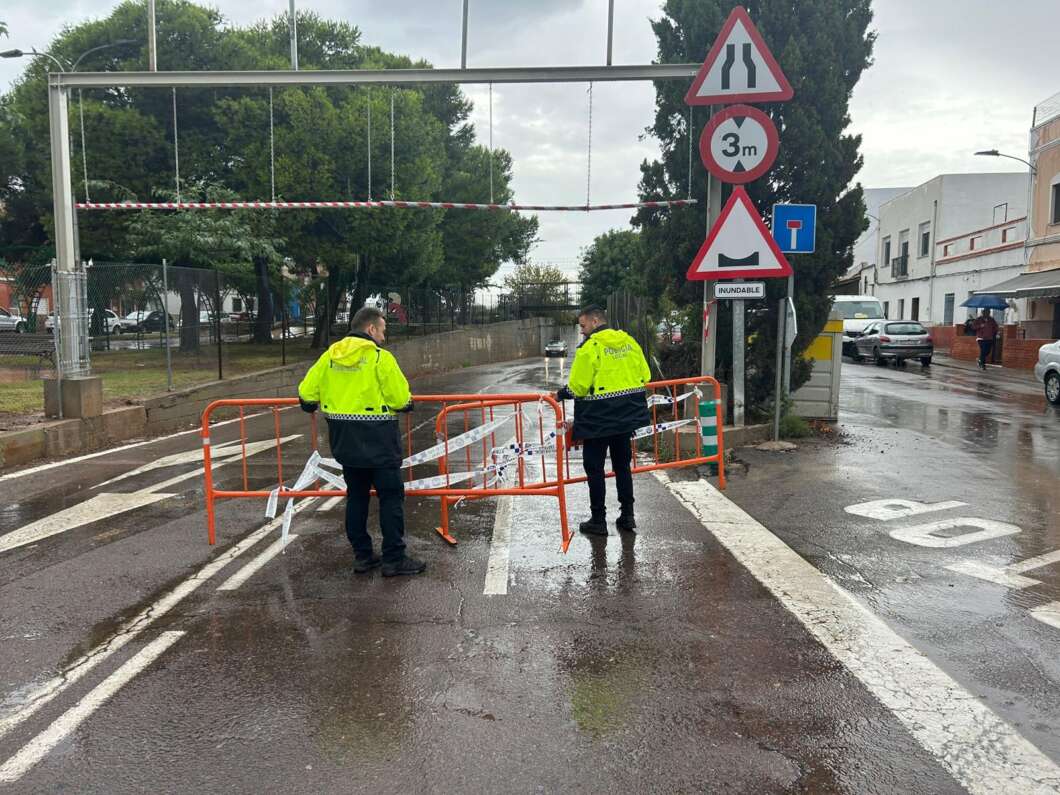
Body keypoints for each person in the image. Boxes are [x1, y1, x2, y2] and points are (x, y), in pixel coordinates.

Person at [298, 306, 426, 577]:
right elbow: (400, 399)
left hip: (344, 440)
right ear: (371, 329)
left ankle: (363, 556)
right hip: (379, 439)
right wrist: (407, 403)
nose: (383, 337)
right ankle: (394, 559)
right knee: (391, 498)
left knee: (356, 497)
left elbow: (306, 396)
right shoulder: (380, 358)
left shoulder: (329, 357)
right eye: (382, 331)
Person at [556, 305, 652, 537]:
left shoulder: (590, 348)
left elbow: (578, 386)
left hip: (597, 418)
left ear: (596, 320)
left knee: (594, 468)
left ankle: (598, 520)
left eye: (583, 325)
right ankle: (627, 516)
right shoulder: (630, 342)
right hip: (626, 416)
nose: (582, 331)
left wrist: (560, 394)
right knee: (622, 466)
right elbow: (646, 376)